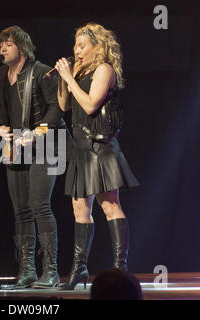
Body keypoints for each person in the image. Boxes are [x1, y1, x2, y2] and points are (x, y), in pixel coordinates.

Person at [54, 23, 139, 290]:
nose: (76, 51)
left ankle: (119, 268)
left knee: (109, 205)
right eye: (75, 46)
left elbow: (91, 105)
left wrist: (69, 79)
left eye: (82, 46)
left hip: (100, 147)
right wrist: (64, 78)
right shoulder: (79, 71)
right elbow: (64, 105)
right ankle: (79, 270)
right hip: (80, 147)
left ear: (97, 47)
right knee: (80, 209)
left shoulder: (104, 70)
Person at [0, 25, 65, 288]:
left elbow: (57, 109)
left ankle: (51, 271)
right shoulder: (0, 74)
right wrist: (0, 127)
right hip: (17, 147)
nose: (2, 48)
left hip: (45, 146)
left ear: (21, 47)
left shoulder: (42, 71)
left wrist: (37, 133)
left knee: (39, 205)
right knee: (20, 211)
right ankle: (27, 270)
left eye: (8, 43)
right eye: (1, 44)